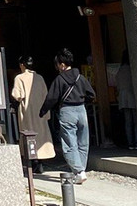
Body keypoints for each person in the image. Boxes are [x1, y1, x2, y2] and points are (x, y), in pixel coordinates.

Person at [40, 48, 95, 185]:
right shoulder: (80, 77)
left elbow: (51, 98)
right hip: (81, 110)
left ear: (62, 65)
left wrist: (43, 110)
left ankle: (78, 171)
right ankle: (81, 170)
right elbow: (91, 94)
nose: (57, 67)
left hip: (67, 111)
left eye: (58, 64)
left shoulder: (60, 79)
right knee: (83, 142)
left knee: (69, 144)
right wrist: (82, 101)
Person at [11, 56, 55, 173]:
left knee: (28, 136)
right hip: (40, 112)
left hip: (27, 112)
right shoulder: (39, 78)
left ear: (22, 65)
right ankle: (40, 162)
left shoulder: (19, 78)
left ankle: (33, 162)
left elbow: (17, 95)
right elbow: (46, 94)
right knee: (40, 135)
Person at [115, 51, 137, 150]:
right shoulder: (132, 70)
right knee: (136, 122)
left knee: (128, 122)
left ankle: (130, 143)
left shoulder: (120, 71)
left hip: (122, 98)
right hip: (132, 96)